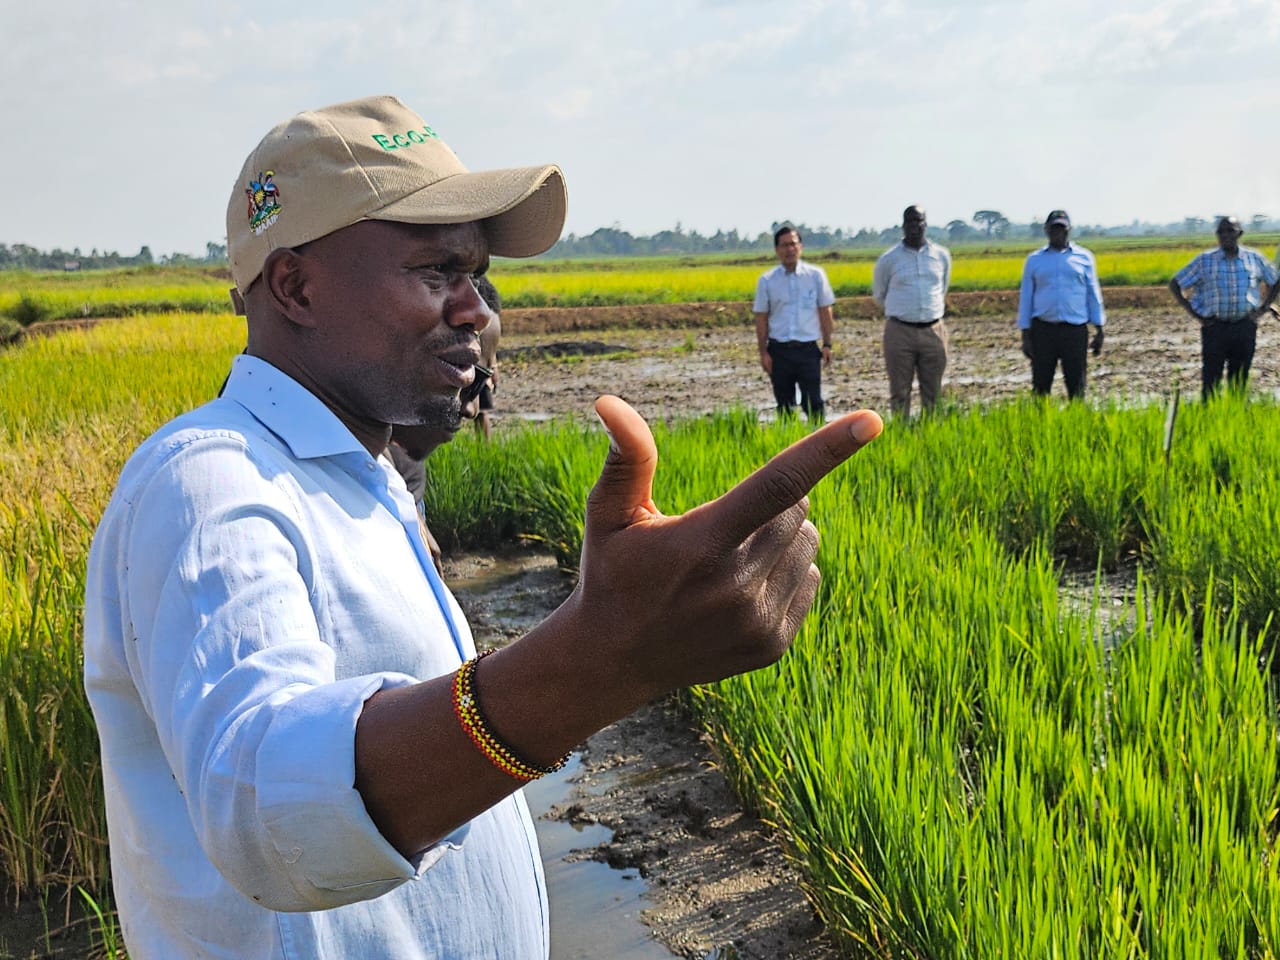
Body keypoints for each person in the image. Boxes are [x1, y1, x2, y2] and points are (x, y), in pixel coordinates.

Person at [81, 94, 884, 960]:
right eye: (437, 272)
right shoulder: (210, 483)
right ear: (296, 287)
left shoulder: (361, 477)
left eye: (476, 275)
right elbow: (266, 810)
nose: (476, 310)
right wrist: (602, 656)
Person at [1169, 216, 1279, 400]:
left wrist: (1263, 308)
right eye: (1221, 232)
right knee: (1211, 379)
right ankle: (1209, 414)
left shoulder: (1253, 259)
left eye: (1230, 231)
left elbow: (1275, 280)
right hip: (1215, 327)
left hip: (1244, 326)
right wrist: (1196, 315)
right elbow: (1176, 283)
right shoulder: (1205, 261)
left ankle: (1236, 413)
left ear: (1239, 234)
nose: (1225, 235)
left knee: (1239, 379)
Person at [1015, 210, 1106, 400]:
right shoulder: (1034, 260)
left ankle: (1077, 417)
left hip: (1075, 330)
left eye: (1062, 229)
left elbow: (1093, 293)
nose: (1058, 233)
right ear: (1046, 230)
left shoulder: (1084, 257)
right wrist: (1025, 334)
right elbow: (1026, 297)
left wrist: (1099, 328)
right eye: (1054, 229)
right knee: (1041, 386)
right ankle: (1040, 418)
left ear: (1069, 230)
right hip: (1043, 330)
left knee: (1077, 385)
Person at [871, 205, 952, 417]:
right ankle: (901, 431)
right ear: (903, 225)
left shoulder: (941, 256)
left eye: (919, 220)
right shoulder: (889, 259)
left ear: (926, 223)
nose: (915, 226)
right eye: (910, 221)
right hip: (900, 331)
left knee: (933, 392)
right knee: (899, 391)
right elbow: (879, 295)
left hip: (933, 331)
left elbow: (942, 288)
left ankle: (931, 430)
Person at [753, 225, 836, 422]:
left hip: (808, 351)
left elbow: (825, 311)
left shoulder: (815, 276)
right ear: (777, 250)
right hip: (779, 352)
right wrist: (763, 353)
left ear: (801, 247)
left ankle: (818, 438)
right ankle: (789, 439)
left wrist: (827, 344)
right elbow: (761, 318)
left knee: (814, 403)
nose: (790, 249)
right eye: (784, 245)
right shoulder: (767, 281)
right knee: (785, 406)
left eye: (793, 244)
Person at [472, 276, 501, 439]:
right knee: (481, 412)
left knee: (480, 411)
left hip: (472, 363)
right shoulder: (489, 308)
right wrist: (493, 365)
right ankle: (484, 448)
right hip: (482, 366)